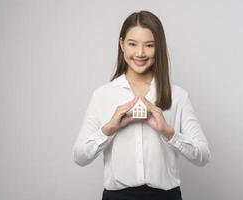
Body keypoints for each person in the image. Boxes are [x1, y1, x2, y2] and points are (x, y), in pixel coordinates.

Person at [72, 10, 211, 200]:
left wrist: (168, 132)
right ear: (122, 45)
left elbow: (203, 156)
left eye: (149, 45)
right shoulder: (102, 96)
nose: (140, 53)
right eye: (132, 44)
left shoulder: (177, 96)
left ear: (158, 47)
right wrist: (108, 129)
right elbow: (80, 157)